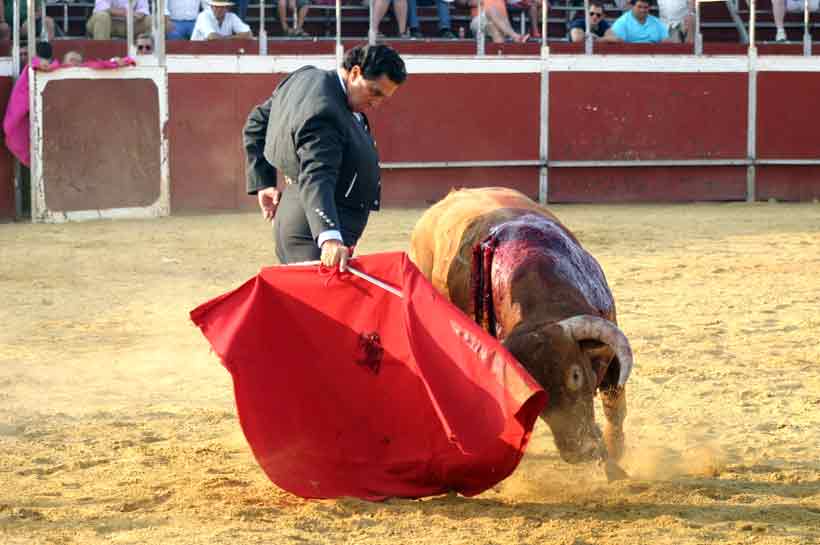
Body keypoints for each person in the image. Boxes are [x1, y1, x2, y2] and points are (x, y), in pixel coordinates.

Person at [243, 44, 407, 270]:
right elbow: (317, 175)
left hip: (301, 215)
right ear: (355, 73)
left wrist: (263, 182)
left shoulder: (304, 78)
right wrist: (328, 236)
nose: (376, 103)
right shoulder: (326, 112)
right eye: (374, 91)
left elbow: (256, 122)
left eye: (384, 98)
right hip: (311, 230)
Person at [459, 0, 529, 43]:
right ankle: (515, 36)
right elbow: (459, 2)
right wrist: (469, 2)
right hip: (479, 20)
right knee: (491, 10)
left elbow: (517, 2)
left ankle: (499, 60)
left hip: (501, 23)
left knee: (494, 29)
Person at [603, 0, 668, 43]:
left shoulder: (657, 22)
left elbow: (666, 40)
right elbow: (617, 43)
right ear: (632, 6)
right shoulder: (622, 22)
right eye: (639, 7)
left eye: (645, 7)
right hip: (630, 57)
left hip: (655, 57)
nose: (642, 10)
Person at [87, 0, 153, 40]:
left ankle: (148, 56)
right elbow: (101, 7)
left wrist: (138, 15)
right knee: (102, 16)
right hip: (108, 23)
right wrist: (126, 13)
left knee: (150, 19)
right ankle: (102, 56)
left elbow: (144, 9)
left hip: (130, 23)